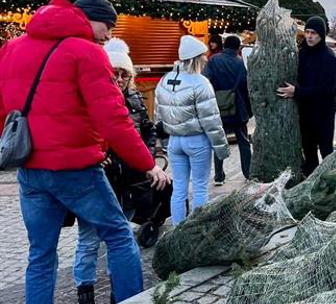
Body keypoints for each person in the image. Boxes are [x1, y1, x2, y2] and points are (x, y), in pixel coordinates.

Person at [0, 0, 169, 303]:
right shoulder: (86, 52)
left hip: (30, 169)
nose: (109, 35)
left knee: (40, 253)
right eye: (108, 26)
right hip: (75, 169)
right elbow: (114, 119)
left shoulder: (12, 48)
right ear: (89, 19)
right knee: (119, 236)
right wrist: (148, 163)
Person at [73, 38, 160, 303]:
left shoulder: (134, 99)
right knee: (88, 239)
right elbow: (80, 133)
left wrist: (150, 157)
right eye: (115, 73)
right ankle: (84, 290)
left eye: (125, 74)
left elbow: (148, 129)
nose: (120, 78)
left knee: (119, 238)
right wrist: (95, 155)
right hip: (97, 181)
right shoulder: (88, 100)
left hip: (128, 183)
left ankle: (117, 289)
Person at [155, 35, 230, 225]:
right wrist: (222, 149)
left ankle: (178, 228)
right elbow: (211, 120)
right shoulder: (200, 83)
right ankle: (197, 230)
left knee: (179, 188)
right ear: (197, 58)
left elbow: (158, 114)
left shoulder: (165, 79)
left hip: (174, 141)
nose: (205, 59)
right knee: (200, 187)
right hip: (197, 140)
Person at [277, 16, 336, 177]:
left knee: (326, 152)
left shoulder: (330, 58)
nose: (310, 36)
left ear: (321, 35)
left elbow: (327, 89)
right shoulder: (302, 54)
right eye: (307, 32)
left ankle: (330, 183)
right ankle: (311, 184)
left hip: (323, 114)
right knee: (308, 151)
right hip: (305, 113)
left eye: (314, 33)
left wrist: (297, 92)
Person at [202, 35, 252, 186]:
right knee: (243, 141)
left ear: (224, 45)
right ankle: (248, 172)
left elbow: (205, 79)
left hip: (218, 107)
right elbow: (246, 86)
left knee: (219, 141)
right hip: (237, 107)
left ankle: (218, 176)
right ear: (238, 48)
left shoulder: (214, 60)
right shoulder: (240, 63)